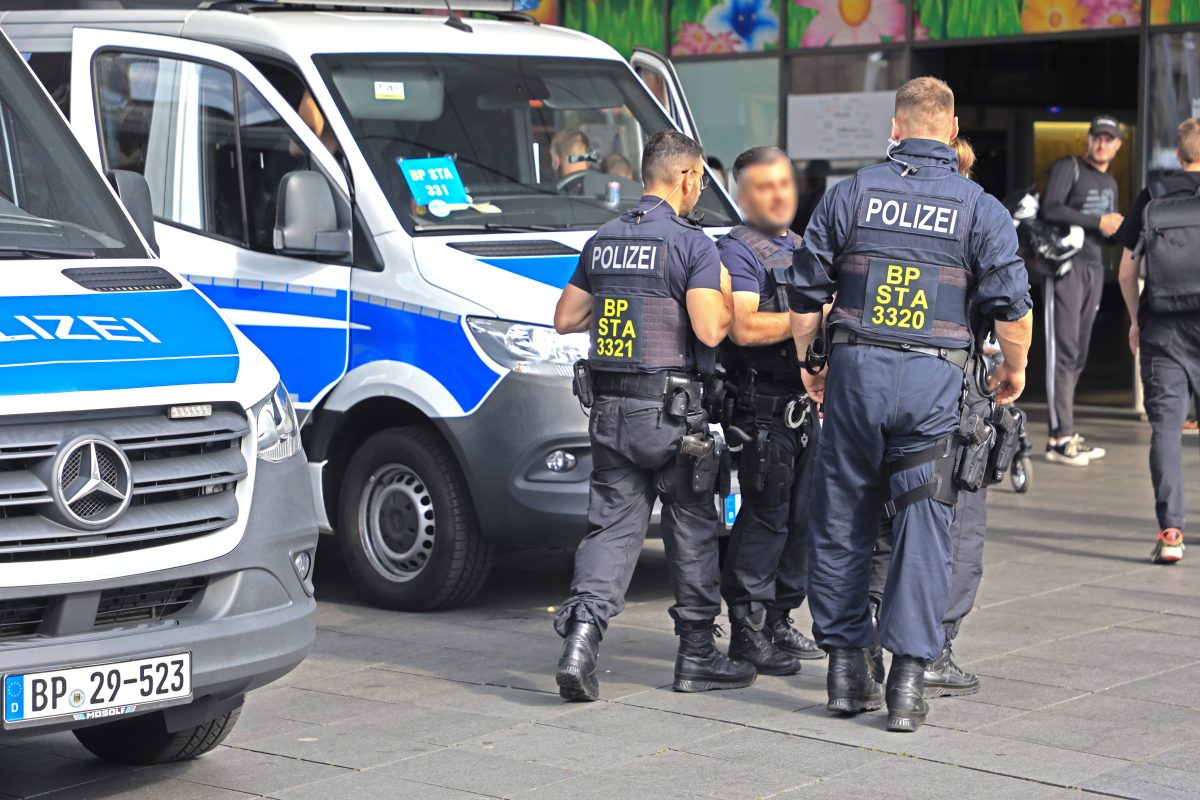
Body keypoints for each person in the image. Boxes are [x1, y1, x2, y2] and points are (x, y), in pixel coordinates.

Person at [787, 77, 1033, 732]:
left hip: (857, 376)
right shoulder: (979, 208)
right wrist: (1015, 372)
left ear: (894, 129)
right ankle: (906, 683)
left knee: (841, 517)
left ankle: (844, 673)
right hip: (934, 384)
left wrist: (813, 366)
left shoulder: (850, 195)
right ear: (951, 133)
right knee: (925, 524)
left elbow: (805, 295)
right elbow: (1013, 311)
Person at [551, 130, 754, 702]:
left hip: (610, 408)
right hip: (671, 415)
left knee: (611, 529)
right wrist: (721, 286)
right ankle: (695, 655)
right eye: (698, 182)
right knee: (691, 527)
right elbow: (713, 329)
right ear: (688, 177)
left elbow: (567, 318)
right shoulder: (692, 245)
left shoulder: (604, 239)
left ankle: (581, 641)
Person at [866, 137, 992, 698]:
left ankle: (869, 636)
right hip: (949, 396)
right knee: (953, 527)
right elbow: (1007, 304)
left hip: (874, 389)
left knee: (881, 523)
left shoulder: (873, 208)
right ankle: (930, 651)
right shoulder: (977, 216)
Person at [717, 146, 823, 677]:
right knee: (765, 518)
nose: (779, 195)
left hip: (805, 405)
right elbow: (744, 326)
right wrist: (810, 320)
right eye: (765, 186)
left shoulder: (803, 246)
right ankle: (747, 629)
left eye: (784, 183)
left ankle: (780, 619)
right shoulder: (737, 252)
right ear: (743, 194)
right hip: (762, 406)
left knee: (802, 519)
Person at [1115, 117, 1200, 565]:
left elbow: (1127, 271)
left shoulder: (1153, 195)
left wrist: (1135, 320)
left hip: (1163, 327)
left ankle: (1171, 534)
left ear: (1180, 154)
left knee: (1166, 431)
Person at [1039, 115, 1124, 466]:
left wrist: (1116, 230)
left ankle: (1067, 431)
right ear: (1088, 140)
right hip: (1066, 268)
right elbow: (1051, 207)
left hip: (1093, 267)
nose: (1102, 144)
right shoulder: (1069, 167)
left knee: (1079, 352)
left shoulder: (1110, 182)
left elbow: (1107, 225)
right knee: (1064, 348)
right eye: (1097, 138)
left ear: (1118, 145)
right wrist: (1097, 222)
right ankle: (1058, 437)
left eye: (1109, 139)